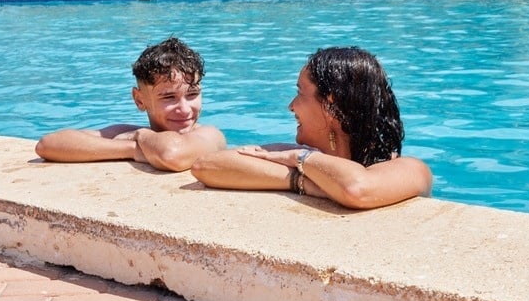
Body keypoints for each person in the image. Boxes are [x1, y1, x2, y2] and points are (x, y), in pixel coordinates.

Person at [191, 46, 432, 209]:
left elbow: (356, 188)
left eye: (299, 93)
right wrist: (302, 180)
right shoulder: (298, 156)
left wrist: (300, 158)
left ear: (330, 104)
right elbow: (206, 166)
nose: (291, 106)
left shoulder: (411, 169)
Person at [35, 37, 225, 171]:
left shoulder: (210, 135)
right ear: (139, 100)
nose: (184, 109)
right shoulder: (126, 134)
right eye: (169, 98)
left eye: (192, 94)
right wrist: (132, 149)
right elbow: (48, 144)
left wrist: (138, 136)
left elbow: (171, 154)